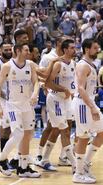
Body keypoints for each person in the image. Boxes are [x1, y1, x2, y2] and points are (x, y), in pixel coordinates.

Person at [0, 43, 40, 178]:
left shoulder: (30, 64)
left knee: (27, 135)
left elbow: (36, 82)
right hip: (13, 106)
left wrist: (35, 94)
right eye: (26, 50)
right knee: (18, 134)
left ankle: (23, 168)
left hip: (27, 105)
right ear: (18, 51)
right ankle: (0, 159)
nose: (28, 52)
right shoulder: (8, 66)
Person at [72, 39, 103, 184]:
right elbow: (80, 88)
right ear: (87, 49)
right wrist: (92, 107)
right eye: (95, 48)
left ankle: (85, 164)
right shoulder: (82, 65)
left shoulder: (91, 64)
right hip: (82, 103)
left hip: (90, 102)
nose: (97, 50)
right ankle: (78, 173)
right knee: (83, 137)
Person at [36, 39, 77, 171]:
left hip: (67, 100)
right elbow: (48, 83)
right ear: (65, 49)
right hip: (56, 99)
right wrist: (63, 90)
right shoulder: (58, 64)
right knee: (62, 129)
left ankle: (45, 159)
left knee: (63, 128)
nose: (74, 50)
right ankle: (76, 165)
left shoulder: (73, 63)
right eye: (71, 48)